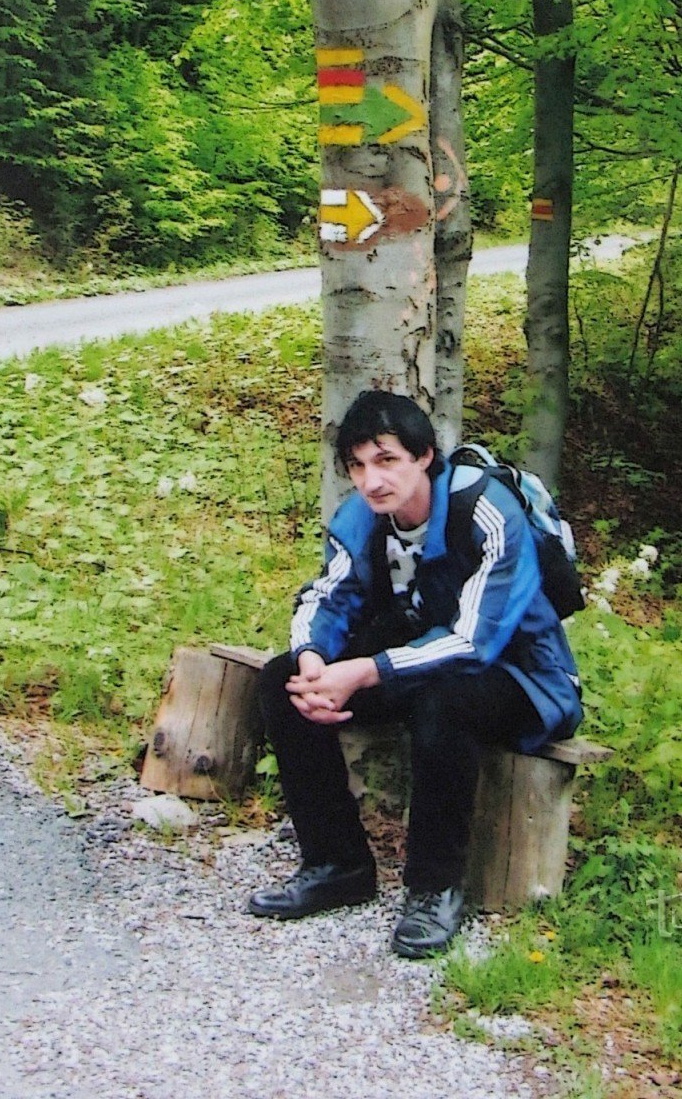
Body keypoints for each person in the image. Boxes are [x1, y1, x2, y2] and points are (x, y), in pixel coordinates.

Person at [248, 390, 583, 959]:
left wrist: (365, 670)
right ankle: (337, 864)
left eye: (387, 460)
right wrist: (313, 663)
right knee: (284, 682)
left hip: (524, 677)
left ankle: (434, 889)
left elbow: (476, 642)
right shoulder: (362, 516)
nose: (371, 480)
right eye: (357, 465)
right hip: (420, 661)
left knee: (445, 702)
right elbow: (327, 595)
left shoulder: (486, 511)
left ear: (425, 456)